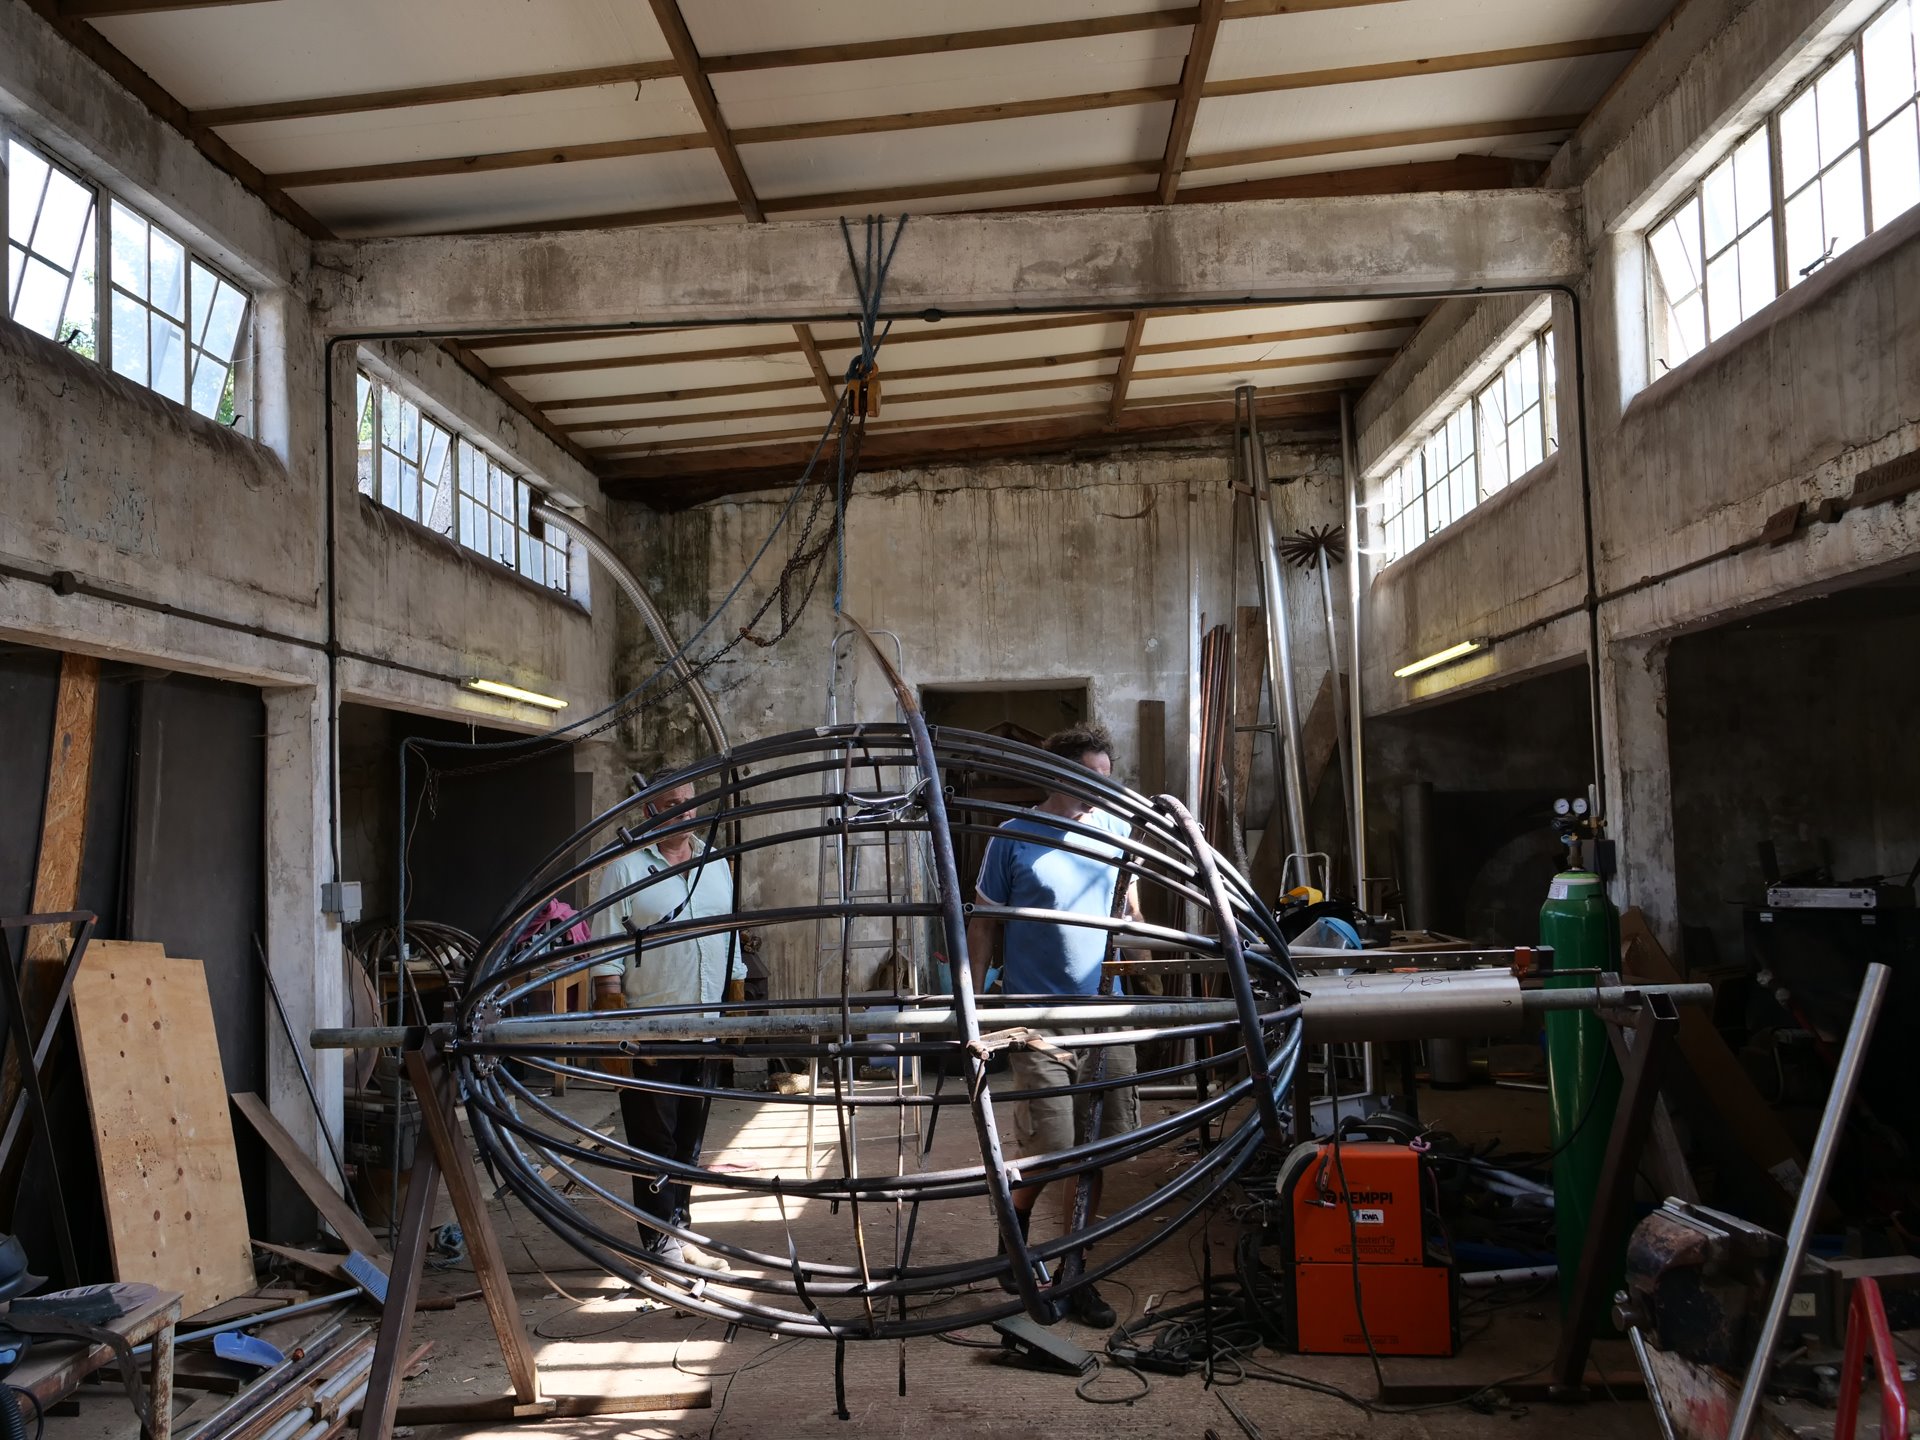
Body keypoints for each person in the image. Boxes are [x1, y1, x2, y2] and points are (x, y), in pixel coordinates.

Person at [965, 722, 1143, 1328]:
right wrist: (971, 1002)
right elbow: (985, 925)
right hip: (1035, 1019)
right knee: (1055, 1147)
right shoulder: (1013, 837)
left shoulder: (1119, 832)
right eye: (1089, 775)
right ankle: (1015, 1230)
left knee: (1100, 1149)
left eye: (1106, 776)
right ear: (1055, 775)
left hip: (1104, 1014)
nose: (1102, 787)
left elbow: (1130, 914)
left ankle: (1075, 1270)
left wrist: (1146, 961)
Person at [592, 779, 745, 1274]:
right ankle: (657, 1241)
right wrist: (612, 1017)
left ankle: (679, 1225)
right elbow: (605, 949)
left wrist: (736, 994)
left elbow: (730, 933)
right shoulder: (627, 870)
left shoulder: (715, 863)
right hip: (650, 1028)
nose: (684, 814)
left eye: (691, 804)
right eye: (672, 806)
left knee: (690, 1139)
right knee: (652, 1137)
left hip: (704, 1024)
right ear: (650, 812)